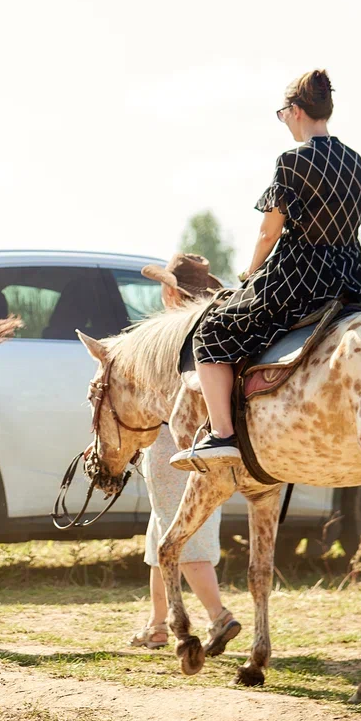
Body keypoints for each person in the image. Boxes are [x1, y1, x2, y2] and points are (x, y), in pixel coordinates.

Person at [172, 70, 361, 472]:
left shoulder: (293, 161)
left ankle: (223, 436)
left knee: (211, 333)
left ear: (297, 111)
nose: (284, 120)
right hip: (351, 276)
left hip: (300, 276)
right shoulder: (355, 159)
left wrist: (248, 273)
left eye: (283, 112)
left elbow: (270, 232)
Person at [129, 254, 240, 653]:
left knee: (183, 535)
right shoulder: (214, 329)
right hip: (211, 440)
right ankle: (158, 624)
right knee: (162, 535)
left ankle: (218, 616)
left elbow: (152, 399)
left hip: (170, 443)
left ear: (172, 291)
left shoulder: (168, 337)